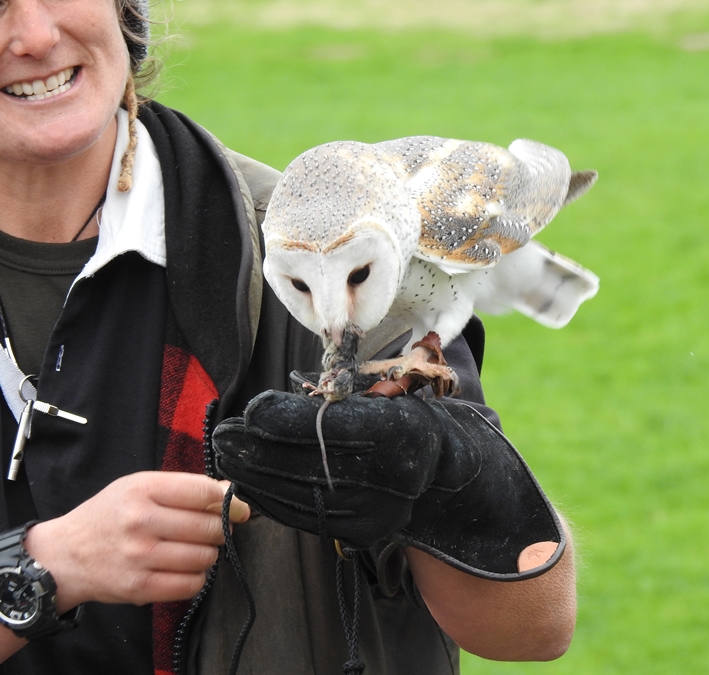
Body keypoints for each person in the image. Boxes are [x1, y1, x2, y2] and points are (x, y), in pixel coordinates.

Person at [0, 0, 577, 673]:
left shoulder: (333, 261)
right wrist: (43, 570)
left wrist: (452, 476)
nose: (36, 34)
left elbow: (535, 627)